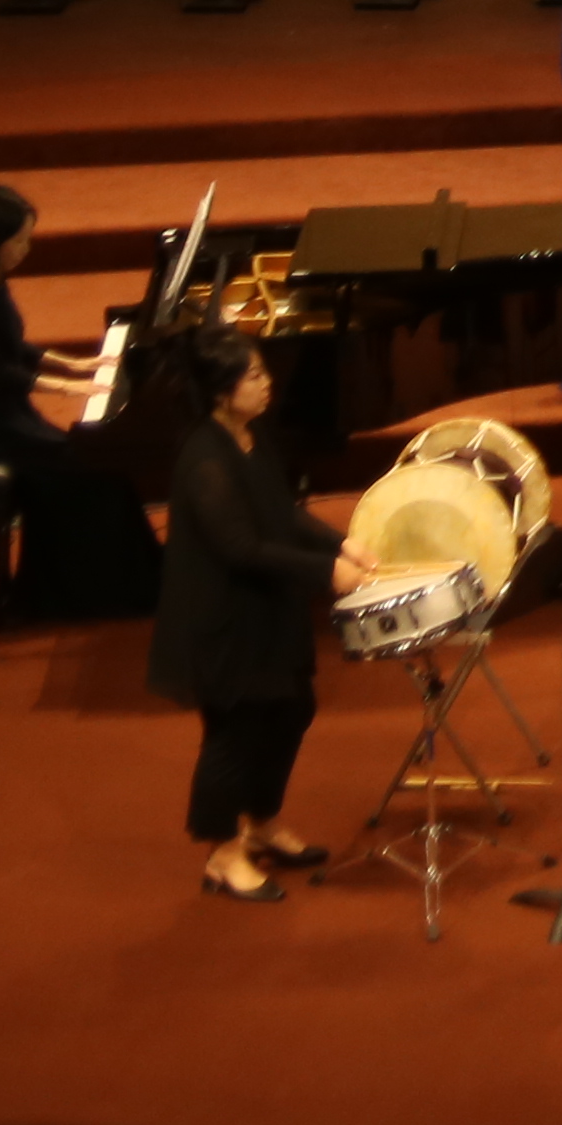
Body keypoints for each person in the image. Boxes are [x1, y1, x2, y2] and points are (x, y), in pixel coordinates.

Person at [150, 325, 368, 902]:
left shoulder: (250, 435)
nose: (267, 383)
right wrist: (326, 573)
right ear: (222, 391)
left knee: (293, 708)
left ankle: (262, 820)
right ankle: (222, 853)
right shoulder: (204, 458)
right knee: (235, 731)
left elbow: (282, 511)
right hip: (223, 619)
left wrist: (341, 543)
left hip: (266, 607)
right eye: (253, 376)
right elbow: (240, 548)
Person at [0, 185, 157, 622]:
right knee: (102, 474)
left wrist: (76, 363)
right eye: (19, 240)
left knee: (105, 471)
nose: (26, 249)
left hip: (15, 418)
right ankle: (101, 588)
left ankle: (122, 580)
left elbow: (17, 347)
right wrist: (68, 388)